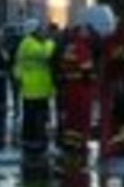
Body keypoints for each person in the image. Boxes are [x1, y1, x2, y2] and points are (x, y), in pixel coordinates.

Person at [14, 18, 56, 166]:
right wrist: (51, 42)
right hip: (35, 88)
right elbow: (45, 54)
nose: (43, 32)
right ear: (33, 30)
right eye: (40, 29)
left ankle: (33, 141)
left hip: (35, 87)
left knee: (34, 117)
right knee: (35, 117)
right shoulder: (29, 43)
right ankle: (35, 143)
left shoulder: (28, 43)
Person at [56, 25, 97, 169]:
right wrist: (94, 80)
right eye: (85, 32)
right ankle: (80, 144)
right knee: (82, 117)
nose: (87, 34)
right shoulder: (82, 49)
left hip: (69, 87)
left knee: (71, 117)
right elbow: (87, 70)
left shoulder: (69, 48)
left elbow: (63, 66)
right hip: (81, 88)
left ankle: (71, 143)